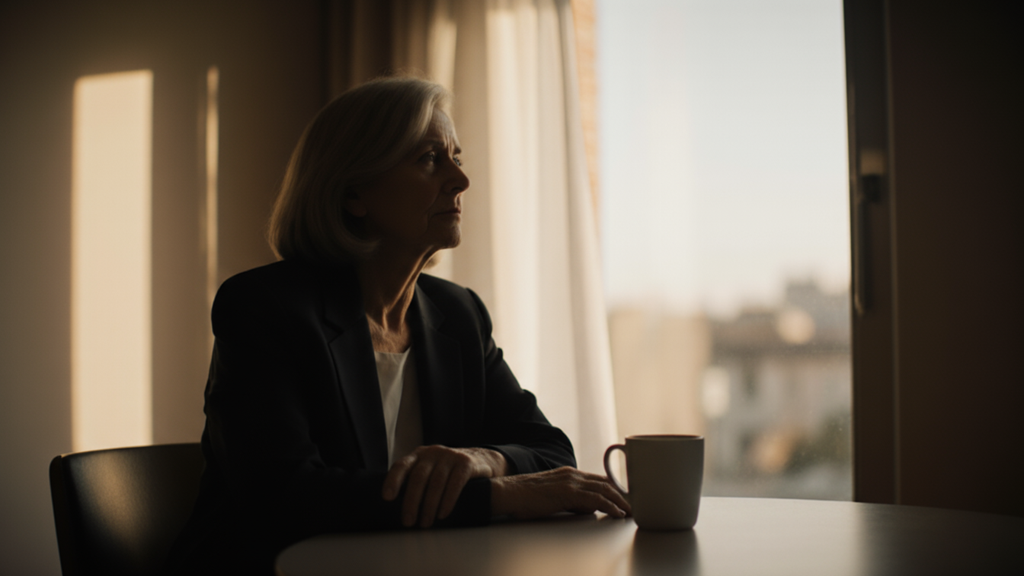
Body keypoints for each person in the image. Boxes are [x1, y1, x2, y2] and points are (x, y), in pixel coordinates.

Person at [168, 76, 629, 575]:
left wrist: (482, 460)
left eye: (457, 157)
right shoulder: (263, 308)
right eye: (430, 159)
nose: (460, 180)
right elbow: (288, 499)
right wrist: (496, 496)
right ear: (353, 193)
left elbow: (549, 450)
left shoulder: (458, 315)